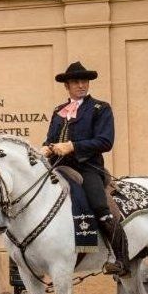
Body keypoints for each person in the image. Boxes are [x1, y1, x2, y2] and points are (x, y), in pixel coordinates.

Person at [43, 61, 125, 275]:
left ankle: (120, 258)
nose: (81, 85)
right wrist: (47, 148)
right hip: (57, 168)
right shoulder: (58, 111)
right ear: (67, 86)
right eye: (76, 82)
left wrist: (72, 146)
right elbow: (52, 139)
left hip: (87, 167)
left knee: (100, 206)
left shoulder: (100, 108)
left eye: (84, 81)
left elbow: (105, 141)